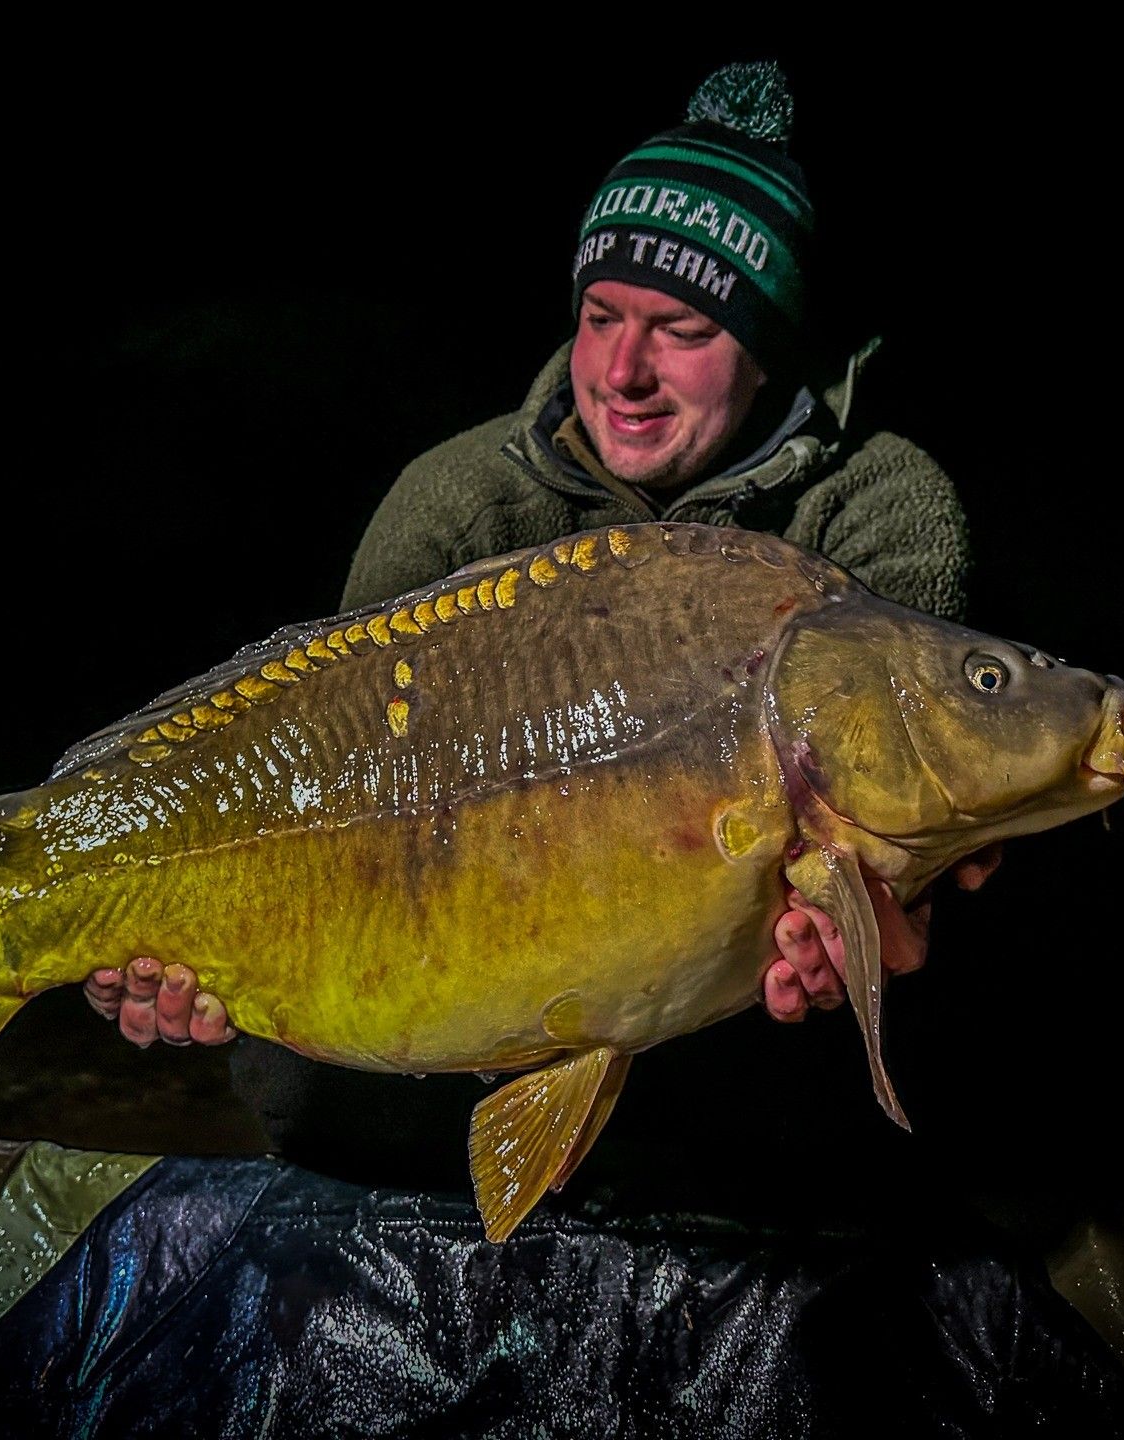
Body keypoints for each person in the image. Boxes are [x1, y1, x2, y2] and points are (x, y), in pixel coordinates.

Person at [84, 60, 999, 1164]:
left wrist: (908, 923)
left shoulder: (880, 506)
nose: (624, 370)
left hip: (742, 1022)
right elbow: (323, 777)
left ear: (767, 345)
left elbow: (919, 801)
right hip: (450, 931)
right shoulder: (462, 501)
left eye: (685, 329)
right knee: (293, 1063)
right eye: (602, 314)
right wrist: (187, 940)